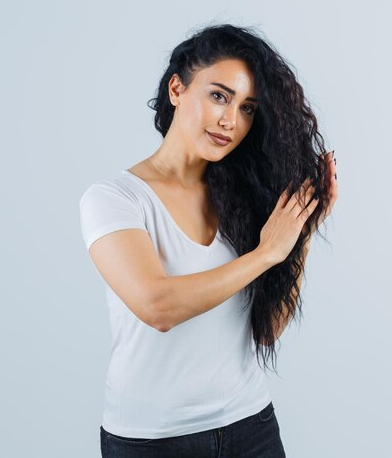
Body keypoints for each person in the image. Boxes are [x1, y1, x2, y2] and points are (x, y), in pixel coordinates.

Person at [79, 23, 338, 457]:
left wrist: (299, 237)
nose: (230, 121)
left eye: (248, 108)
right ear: (177, 89)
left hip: (250, 425)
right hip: (153, 441)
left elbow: (266, 332)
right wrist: (267, 253)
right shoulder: (115, 198)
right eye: (219, 95)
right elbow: (157, 307)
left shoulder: (244, 196)